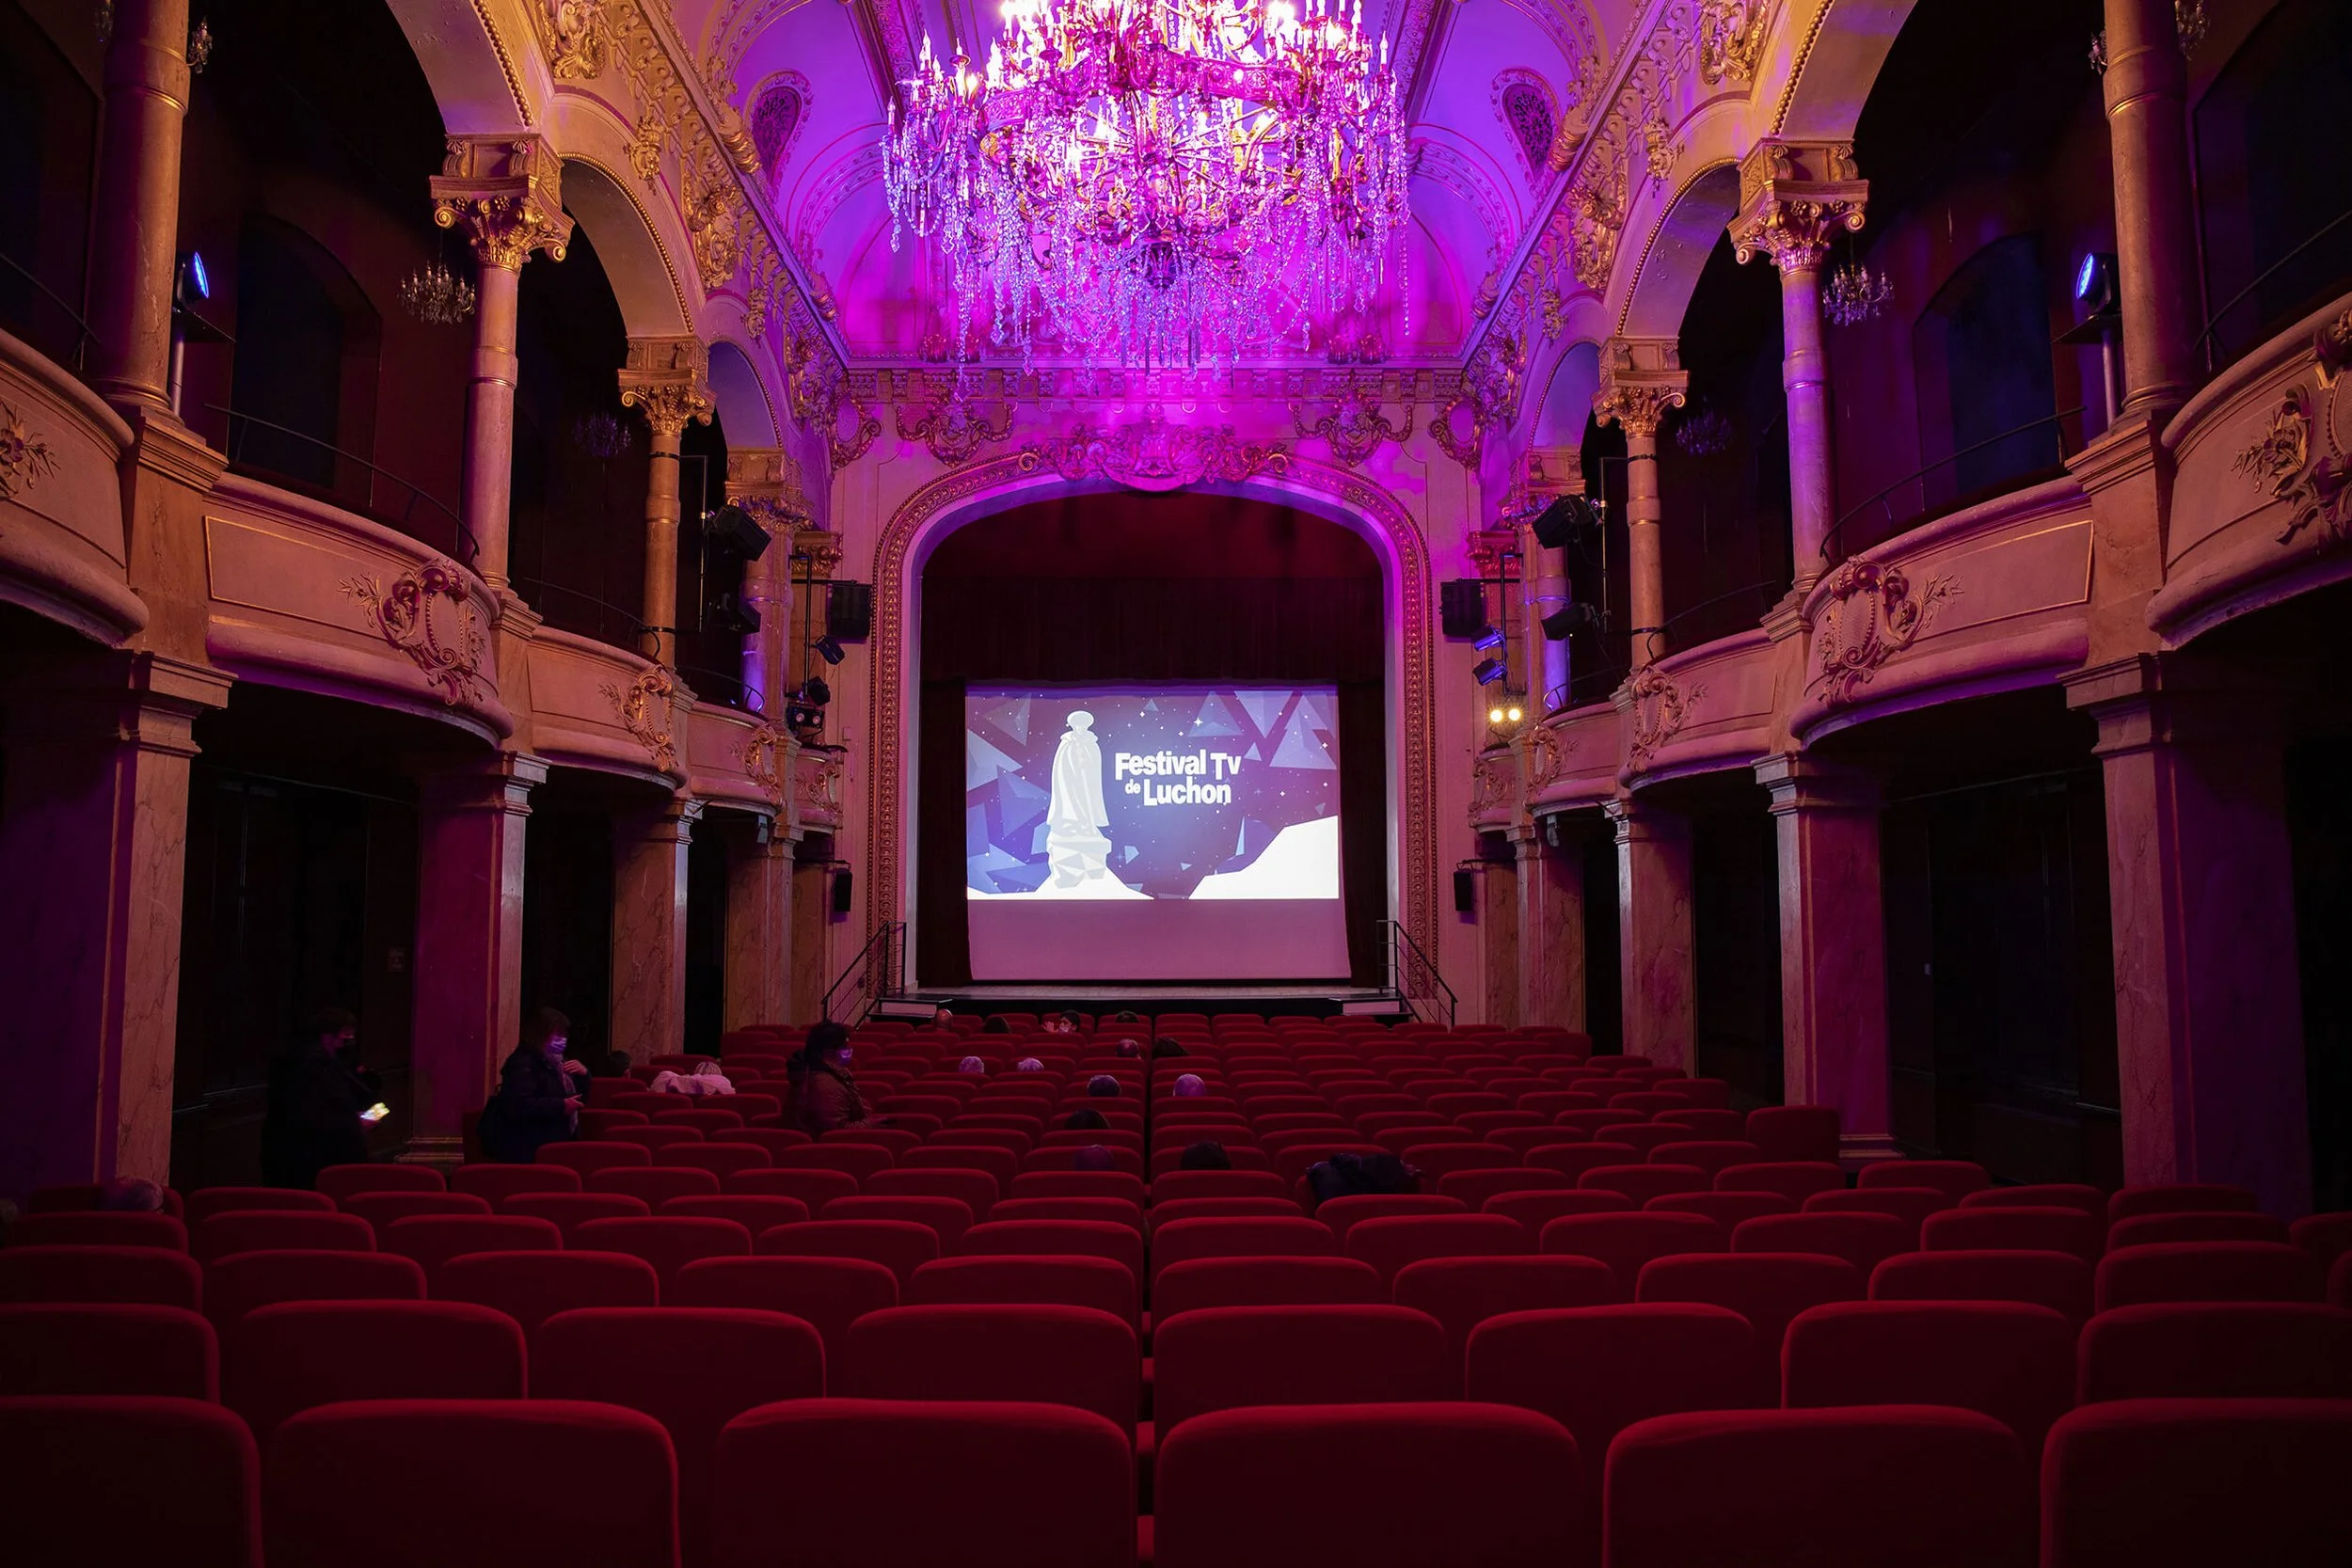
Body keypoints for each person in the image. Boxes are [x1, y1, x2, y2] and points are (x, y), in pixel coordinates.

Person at [260, 1006, 378, 1190]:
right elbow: (310, 1115)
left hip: (310, 1152)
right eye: (346, 1034)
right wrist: (354, 1124)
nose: (350, 1040)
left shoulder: (329, 1063)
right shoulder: (308, 1067)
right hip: (309, 1157)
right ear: (327, 1036)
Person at [477, 1007, 584, 1164]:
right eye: (557, 1034)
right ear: (540, 1033)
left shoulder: (556, 1062)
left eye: (564, 1035)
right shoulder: (523, 1063)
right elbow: (519, 1105)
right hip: (529, 1147)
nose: (562, 1040)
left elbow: (579, 1096)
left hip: (551, 1140)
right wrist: (561, 1106)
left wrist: (584, 1075)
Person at [790, 1022, 883, 1135]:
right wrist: (871, 1124)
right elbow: (836, 1132)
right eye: (845, 1046)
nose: (849, 1049)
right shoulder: (825, 1084)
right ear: (829, 1053)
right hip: (829, 1145)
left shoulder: (819, 1073)